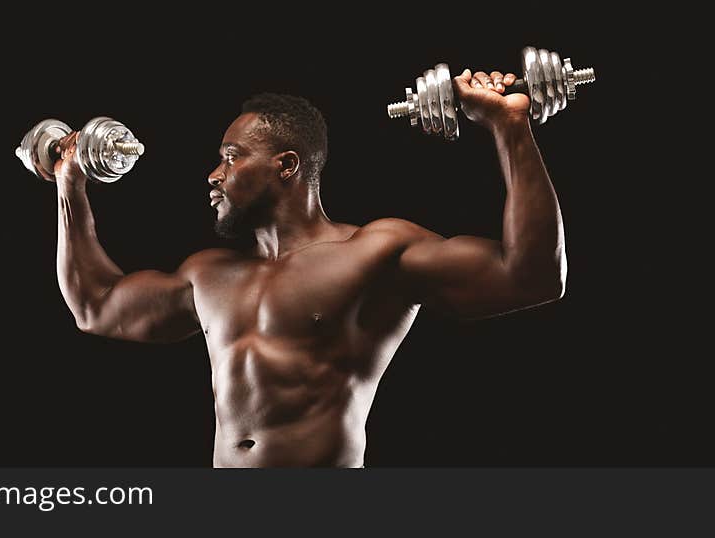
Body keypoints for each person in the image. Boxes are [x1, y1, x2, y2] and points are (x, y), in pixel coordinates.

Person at [48, 69, 566, 467]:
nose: (214, 175)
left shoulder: (374, 252)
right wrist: (70, 186)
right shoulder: (207, 275)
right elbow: (96, 306)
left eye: (231, 158)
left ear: (286, 165)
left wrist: (509, 126)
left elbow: (531, 276)